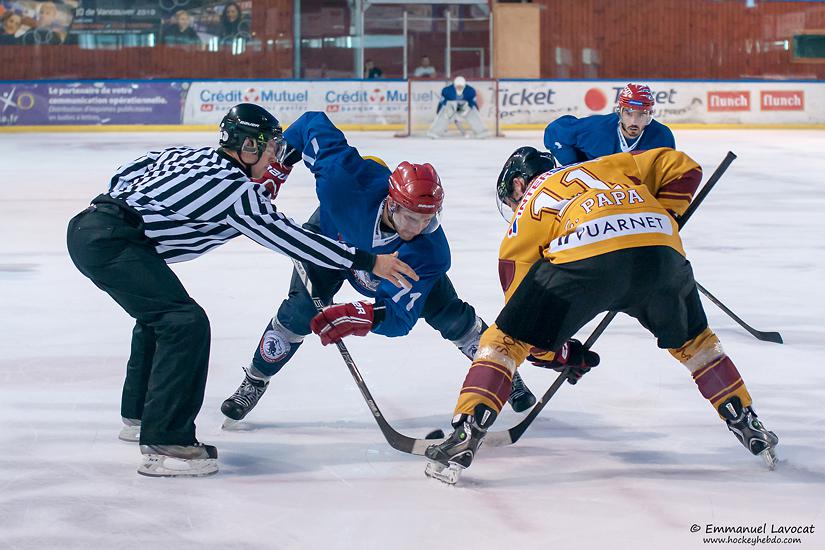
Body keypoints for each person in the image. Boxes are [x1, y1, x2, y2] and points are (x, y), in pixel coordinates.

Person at [66, 104, 416, 477]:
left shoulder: (191, 156)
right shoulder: (235, 193)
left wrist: (135, 208)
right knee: (184, 323)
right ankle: (167, 441)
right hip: (113, 242)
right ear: (248, 148)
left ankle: (138, 416)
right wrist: (367, 261)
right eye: (270, 149)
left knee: (161, 318)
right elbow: (295, 240)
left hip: (93, 226)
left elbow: (131, 170)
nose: (274, 158)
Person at [423, 146, 779, 484]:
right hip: (660, 251)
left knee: (504, 341)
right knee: (696, 343)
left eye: (510, 199)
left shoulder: (527, 211)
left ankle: (466, 432)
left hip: (584, 258)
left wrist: (564, 355)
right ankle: (747, 421)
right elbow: (684, 168)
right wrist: (663, 216)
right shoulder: (607, 165)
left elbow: (528, 334)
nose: (512, 206)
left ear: (519, 184)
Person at [220, 111, 536, 426]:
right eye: (412, 217)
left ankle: (499, 370)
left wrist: (357, 315)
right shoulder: (344, 181)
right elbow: (310, 124)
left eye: (428, 219)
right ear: (391, 204)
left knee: (451, 314)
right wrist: (276, 171)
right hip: (330, 240)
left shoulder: (428, 251)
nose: (419, 227)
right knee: (301, 311)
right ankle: (255, 379)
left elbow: (398, 318)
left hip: (391, 269)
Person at [544, 83, 675, 167]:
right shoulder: (597, 129)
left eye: (641, 115)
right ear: (620, 112)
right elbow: (555, 131)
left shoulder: (662, 137)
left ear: (649, 115)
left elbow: (668, 173)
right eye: (629, 113)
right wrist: (576, 167)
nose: (634, 122)